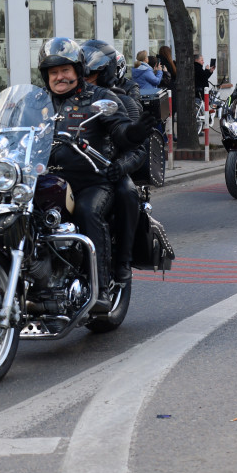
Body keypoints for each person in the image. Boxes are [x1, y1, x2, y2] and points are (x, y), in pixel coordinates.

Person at [39, 37, 154, 308]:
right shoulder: (38, 102)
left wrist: (132, 133)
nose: (60, 77)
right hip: (46, 179)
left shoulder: (100, 98)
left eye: (65, 70)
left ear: (77, 71)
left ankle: (100, 289)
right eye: (53, 72)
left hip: (91, 180)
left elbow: (120, 130)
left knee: (88, 212)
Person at [82, 41, 149, 288]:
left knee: (126, 191)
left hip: (106, 169)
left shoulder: (123, 101)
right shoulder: (66, 100)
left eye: (93, 74)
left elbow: (136, 146)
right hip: (72, 170)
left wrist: (120, 166)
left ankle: (122, 259)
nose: (87, 78)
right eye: (84, 73)